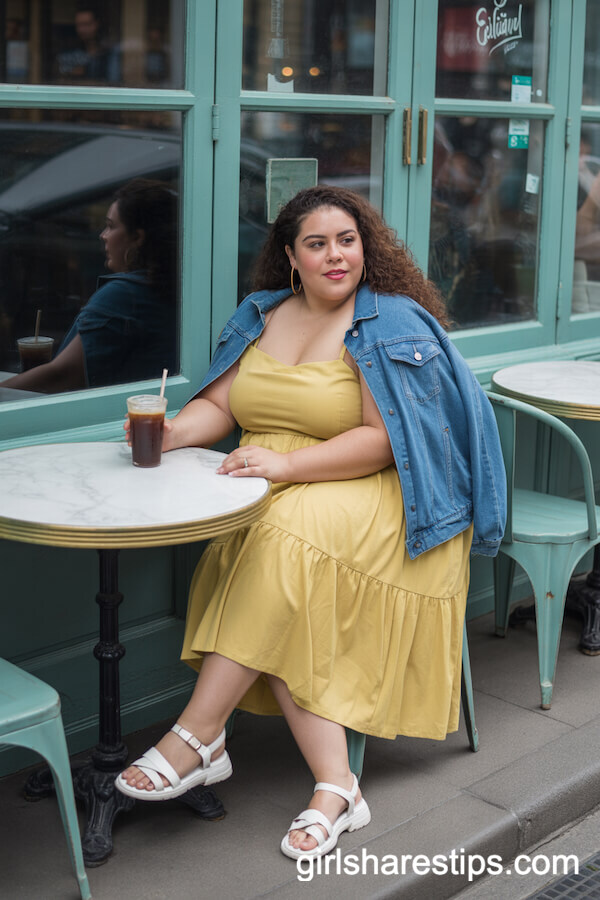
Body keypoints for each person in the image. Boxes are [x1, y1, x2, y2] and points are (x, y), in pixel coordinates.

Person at [115, 185, 506, 860]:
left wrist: (287, 466)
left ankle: (198, 734)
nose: (335, 256)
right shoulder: (262, 313)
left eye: (347, 241)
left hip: (381, 493)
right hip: (274, 484)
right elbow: (221, 404)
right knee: (278, 573)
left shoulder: (391, 321)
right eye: (317, 244)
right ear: (291, 256)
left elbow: (385, 442)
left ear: (366, 247)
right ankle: (338, 786)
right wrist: (173, 433)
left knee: (276, 542)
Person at [1, 178, 177, 393]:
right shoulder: (175, 290)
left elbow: (62, 376)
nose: (103, 235)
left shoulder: (124, 296)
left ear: (137, 237)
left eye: (111, 226)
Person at [56, 5, 120, 84]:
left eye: (86, 24)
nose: (82, 30)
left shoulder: (110, 53)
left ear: (97, 24)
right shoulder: (70, 52)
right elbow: (60, 79)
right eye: (79, 25)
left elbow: (113, 83)